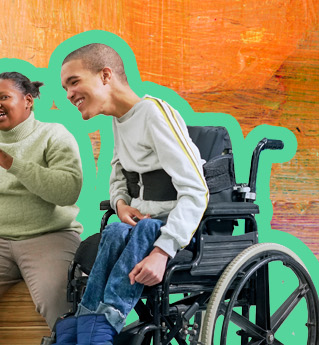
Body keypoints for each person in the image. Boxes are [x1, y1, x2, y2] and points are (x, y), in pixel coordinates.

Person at [54, 43, 209, 344]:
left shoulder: (154, 113)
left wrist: (162, 252)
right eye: (65, 88)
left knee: (146, 228)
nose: (69, 94)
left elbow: (196, 190)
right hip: (138, 225)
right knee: (114, 231)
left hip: (174, 227)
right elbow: (117, 177)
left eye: (74, 82)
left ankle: (103, 326)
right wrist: (122, 204)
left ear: (105, 75)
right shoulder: (118, 121)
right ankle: (85, 322)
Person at [0, 71, 86, 345]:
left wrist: (14, 165)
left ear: (28, 101)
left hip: (50, 235)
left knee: (55, 297)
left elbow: (67, 190)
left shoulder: (54, 135)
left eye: (4, 97)